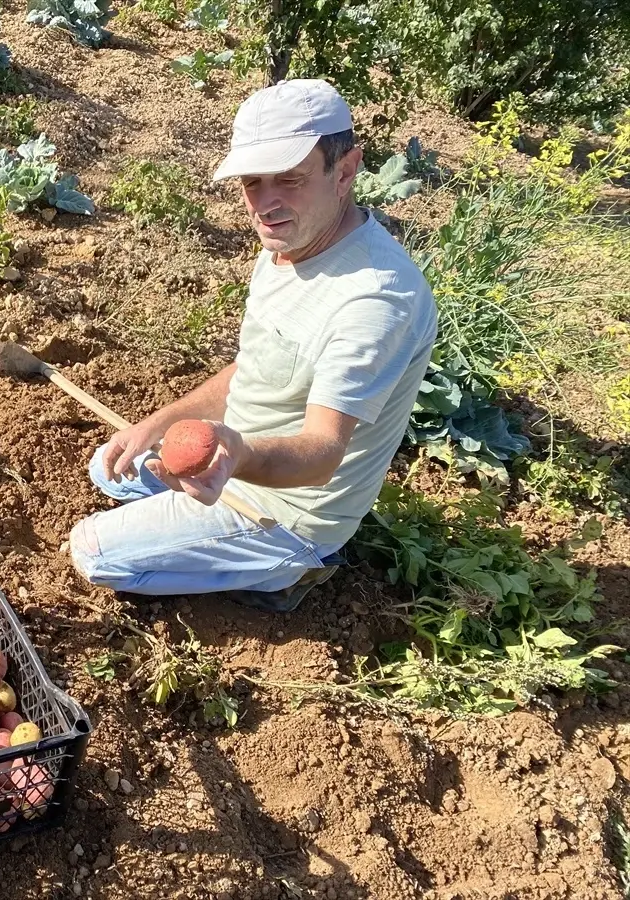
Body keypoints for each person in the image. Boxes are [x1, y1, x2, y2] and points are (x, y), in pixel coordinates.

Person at [68, 79, 438, 612]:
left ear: (346, 171)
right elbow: (254, 367)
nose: (265, 204)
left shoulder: (374, 299)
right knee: (106, 467)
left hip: (286, 510)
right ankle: (202, 528)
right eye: (252, 182)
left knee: (94, 552)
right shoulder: (290, 242)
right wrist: (157, 424)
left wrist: (236, 455)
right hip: (240, 457)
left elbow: (322, 452)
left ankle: (287, 570)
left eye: (290, 179)